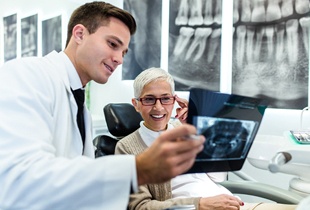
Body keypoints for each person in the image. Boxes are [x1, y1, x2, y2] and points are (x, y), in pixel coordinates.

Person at [0, 2, 205, 209]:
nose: (119, 60)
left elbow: (82, 192)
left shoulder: (81, 110)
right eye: (113, 44)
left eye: (124, 52)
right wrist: (138, 170)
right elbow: (18, 182)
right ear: (79, 34)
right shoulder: (26, 75)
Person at [115, 67, 297, 210]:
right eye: (149, 99)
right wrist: (200, 205)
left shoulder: (183, 129)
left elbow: (217, 177)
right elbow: (140, 207)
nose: (158, 107)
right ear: (136, 104)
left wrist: (199, 128)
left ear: (174, 100)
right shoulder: (126, 147)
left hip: (232, 205)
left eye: (165, 99)